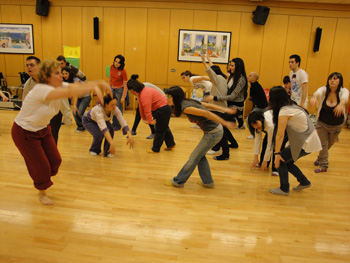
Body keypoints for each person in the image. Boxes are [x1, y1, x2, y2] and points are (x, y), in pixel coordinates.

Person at [11, 58, 110, 205]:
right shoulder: (41, 89)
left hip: (43, 129)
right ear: (47, 77)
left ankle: (41, 174)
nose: (61, 76)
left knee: (56, 161)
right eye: (57, 73)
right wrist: (97, 85)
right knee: (42, 166)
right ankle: (42, 191)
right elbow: (71, 90)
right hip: (25, 132)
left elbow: (76, 86)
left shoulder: (57, 85)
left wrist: (98, 84)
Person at [164, 86, 236, 188]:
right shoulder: (187, 101)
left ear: (175, 97)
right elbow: (207, 105)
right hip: (213, 131)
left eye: (169, 96)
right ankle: (208, 182)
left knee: (193, 158)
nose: (167, 99)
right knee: (200, 156)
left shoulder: (187, 108)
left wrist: (225, 122)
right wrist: (225, 109)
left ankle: (178, 181)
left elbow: (206, 112)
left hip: (213, 133)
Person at [268, 86, 321, 196]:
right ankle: (304, 182)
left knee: (282, 160)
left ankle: (284, 188)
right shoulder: (291, 105)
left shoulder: (285, 110)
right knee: (288, 162)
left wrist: (277, 154)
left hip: (306, 141)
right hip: (308, 139)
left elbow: (280, 134)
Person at [310, 72, 349, 173]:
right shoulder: (324, 89)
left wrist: (341, 103)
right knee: (323, 144)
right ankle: (324, 165)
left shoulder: (343, 91)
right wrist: (314, 97)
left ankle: (320, 157)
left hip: (336, 126)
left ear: (340, 81)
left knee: (328, 145)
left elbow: (345, 97)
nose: (332, 80)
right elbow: (318, 92)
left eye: (335, 79)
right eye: (331, 78)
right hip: (322, 123)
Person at [127, 75, 175, 153]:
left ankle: (155, 149)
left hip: (163, 109)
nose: (131, 92)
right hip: (161, 109)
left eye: (131, 90)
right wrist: (143, 118)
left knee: (159, 130)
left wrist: (149, 121)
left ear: (135, 89)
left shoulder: (144, 93)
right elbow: (141, 107)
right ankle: (171, 144)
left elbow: (147, 109)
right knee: (164, 127)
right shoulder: (140, 94)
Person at [247, 110, 279, 176]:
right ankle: (263, 163)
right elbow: (257, 141)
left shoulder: (270, 125)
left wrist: (265, 161)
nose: (255, 126)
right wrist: (255, 158)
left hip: (280, 130)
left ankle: (275, 168)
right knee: (265, 145)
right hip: (271, 130)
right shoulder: (258, 127)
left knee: (276, 147)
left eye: (256, 123)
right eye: (253, 125)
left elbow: (270, 144)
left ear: (261, 119)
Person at [62, 67, 92, 133]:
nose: (65, 75)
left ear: (70, 73)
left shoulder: (76, 79)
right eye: (63, 74)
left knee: (80, 112)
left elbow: (75, 93)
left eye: (66, 73)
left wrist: (74, 105)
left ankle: (90, 123)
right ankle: (81, 127)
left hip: (86, 96)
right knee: (74, 112)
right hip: (79, 97)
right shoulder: (67, 81)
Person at [109, 55, 128, 131]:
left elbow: (125, 85)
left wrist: (123, 96)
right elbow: (110, 79)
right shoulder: (111, 67)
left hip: (120, 90)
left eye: (118, 62)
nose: (116, 63)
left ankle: (118, 125)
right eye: (115, 61)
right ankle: (113, 123)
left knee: (118, 107)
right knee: (112, 106)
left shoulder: (123, 71)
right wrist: (108, 88)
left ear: (121, 64)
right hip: (113, 89)